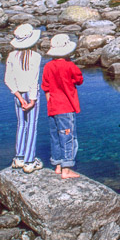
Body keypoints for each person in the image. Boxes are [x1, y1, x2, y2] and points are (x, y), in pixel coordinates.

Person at [41, 33, 84, 179]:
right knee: (68, 137)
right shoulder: (70, 66)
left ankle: (57, 165)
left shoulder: (47, 66)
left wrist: (50, 103)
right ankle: (66, 169)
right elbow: (79, 80)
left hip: (52, 107)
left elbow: (45, 87)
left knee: (55, 136)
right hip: (66, 107)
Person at [3, 23, 43, 174]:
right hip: (31, 95)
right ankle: (29, 160)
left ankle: (19, 157)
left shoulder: (11, 56)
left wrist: (19, 97)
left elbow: (8, 79)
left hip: (18, 95)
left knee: (21, 125)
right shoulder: (36, 57)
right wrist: (32, 100)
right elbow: (34, 80)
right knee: (32, 126)